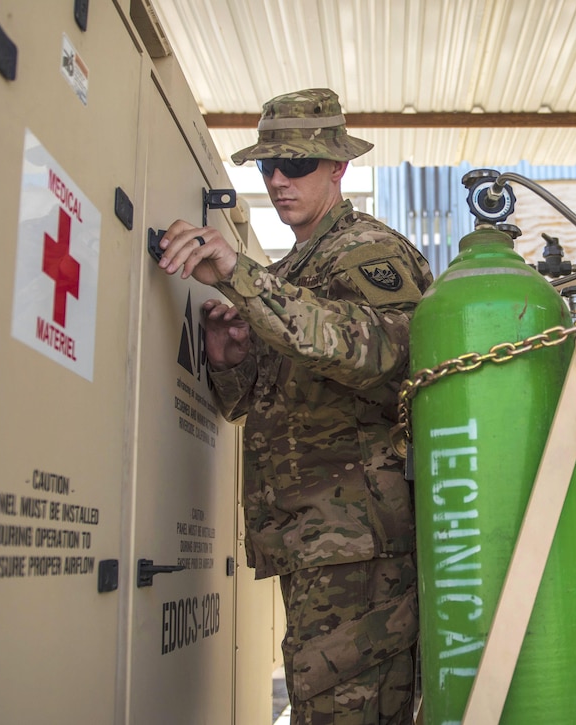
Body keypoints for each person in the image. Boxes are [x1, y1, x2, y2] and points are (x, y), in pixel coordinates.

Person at [155, 88, 432, 724]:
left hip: (360, 547)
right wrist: (232, 362)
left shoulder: (365, 251)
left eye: (297, 165)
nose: (279, 181)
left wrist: (240, 275)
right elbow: (278, 402)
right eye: (266, 167)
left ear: (338, 168)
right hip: (319, 541)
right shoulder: (298, 268)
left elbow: (384, 355)